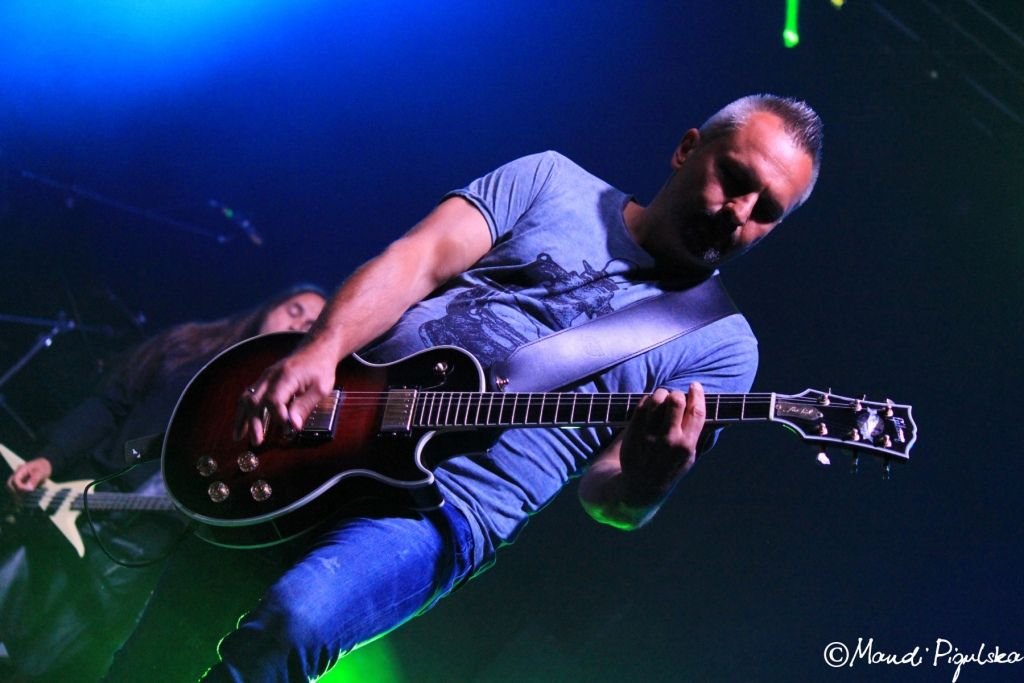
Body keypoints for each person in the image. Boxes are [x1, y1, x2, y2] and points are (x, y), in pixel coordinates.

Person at [111, 93, 823, 681]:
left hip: (446, 510)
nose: (740, 211)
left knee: (295, 623)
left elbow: (608, 498)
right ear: (687, 148)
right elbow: (416, 260)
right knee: (169, 629)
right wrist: (320, 350)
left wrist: (647, 479)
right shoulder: (551, 180)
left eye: (767, 211)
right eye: (735, 177)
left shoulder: (723, 344)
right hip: (331, 422)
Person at [0, 284, 326, 682]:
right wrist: (51, 456)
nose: (299, 323)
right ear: (270, 306)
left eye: (312, 323)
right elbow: (111, 404)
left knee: (57, 653)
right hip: (83, 492)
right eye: (294, 309)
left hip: (150, 546)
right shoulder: (189, 345)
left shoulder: (293, 406)